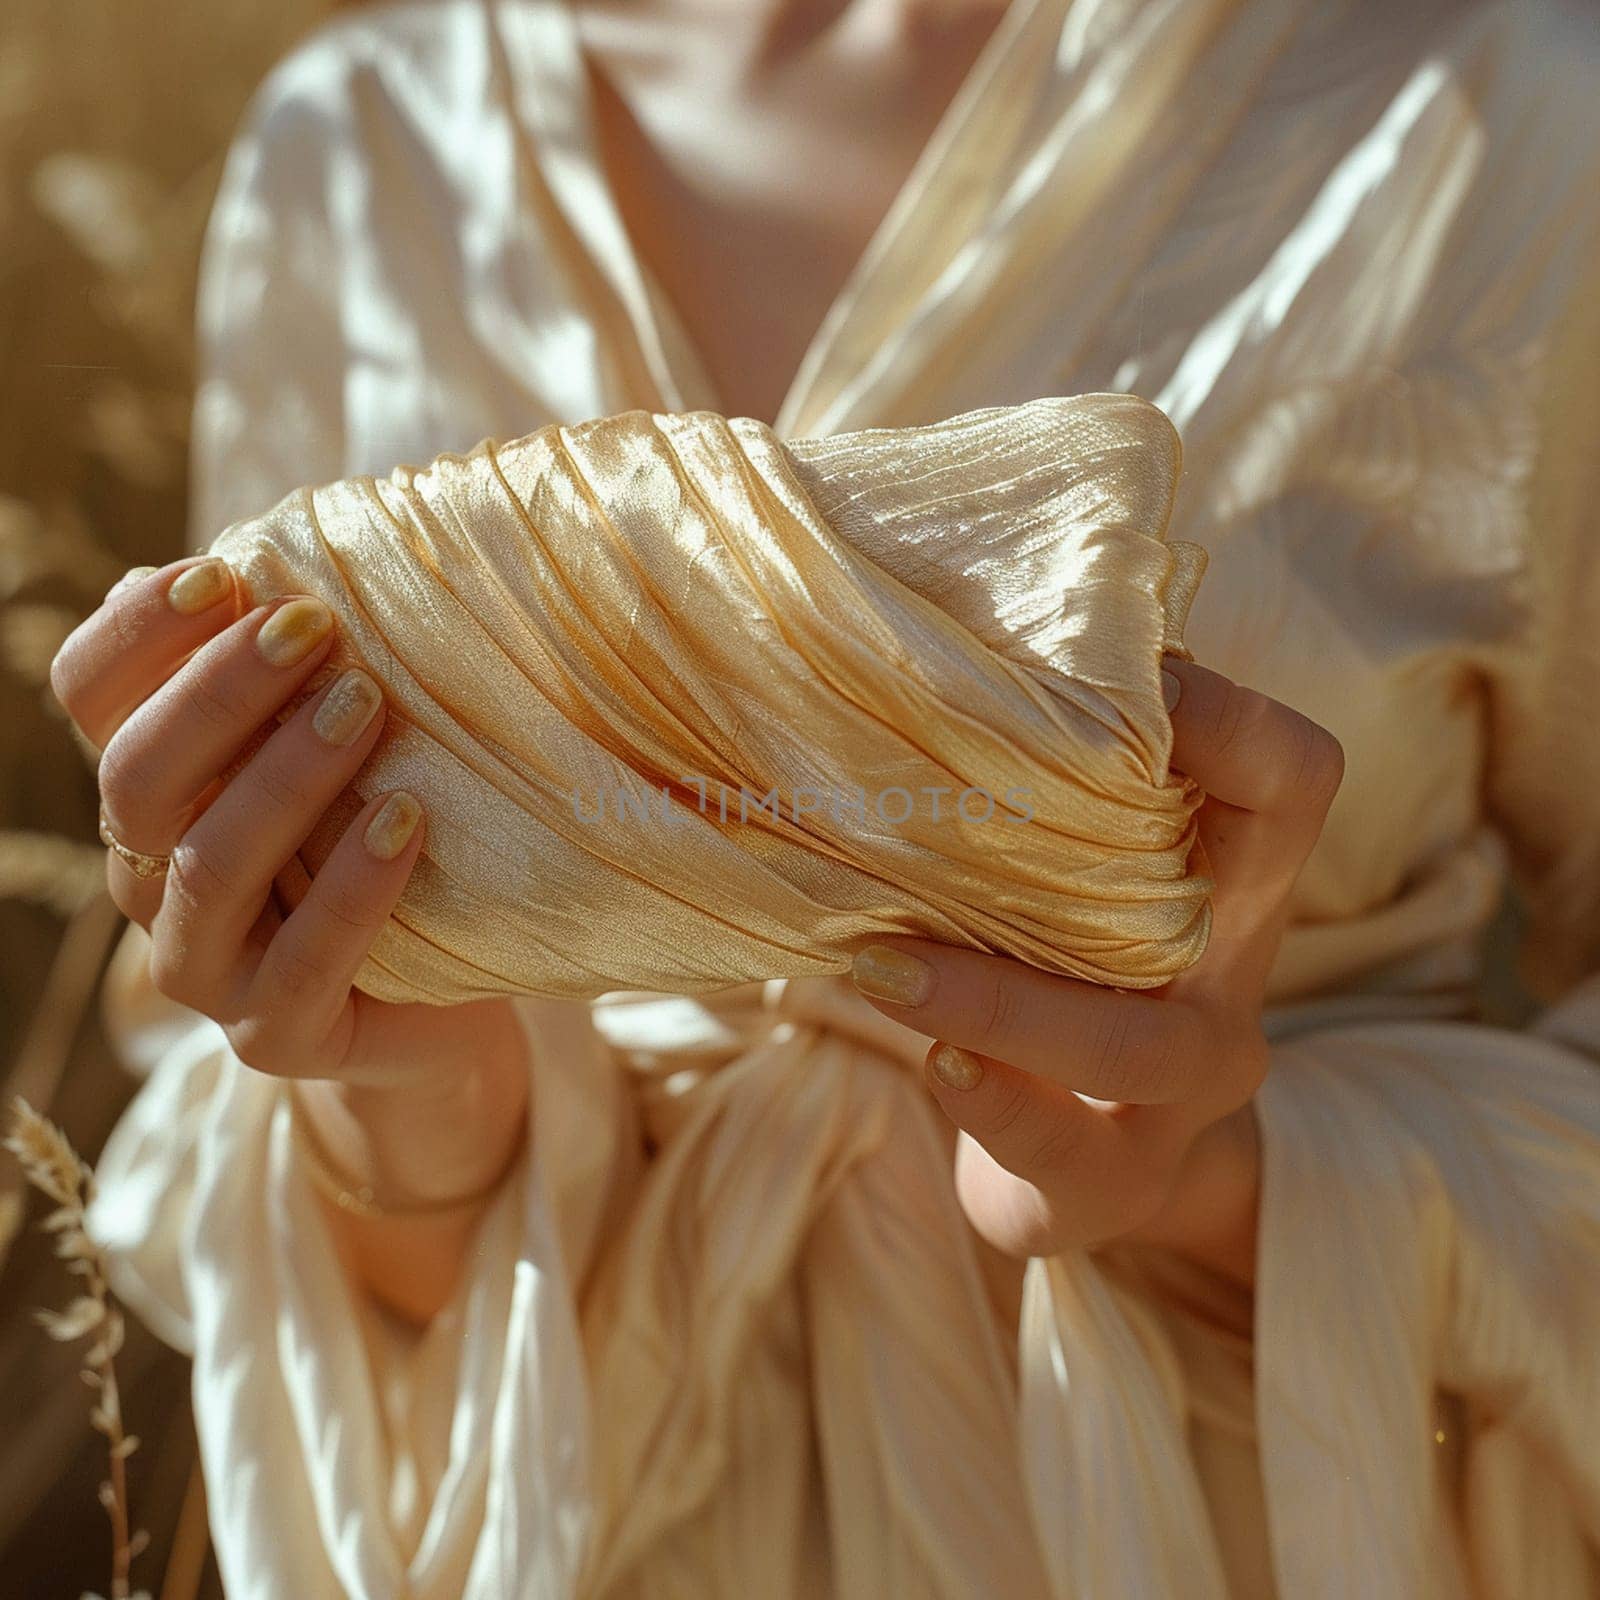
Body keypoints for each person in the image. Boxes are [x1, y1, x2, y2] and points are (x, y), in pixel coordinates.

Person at [48, 0, 1600, 1594]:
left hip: (1242, 1518)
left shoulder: (1502, 119)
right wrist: (414, 1095)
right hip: (614, 1519)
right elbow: (299, 1163)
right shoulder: (366, 148)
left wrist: (1208, 1182)